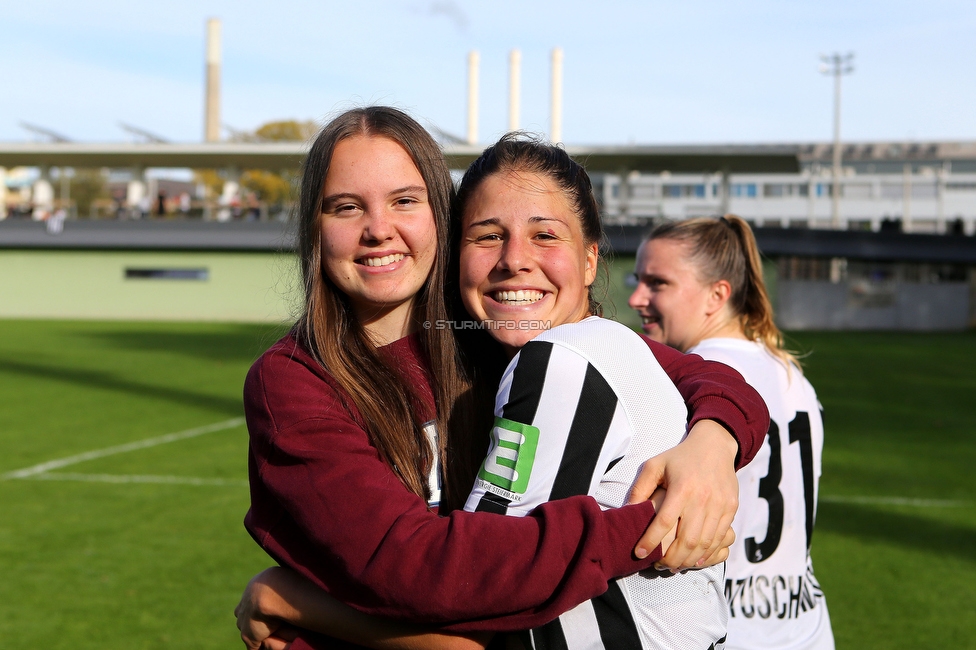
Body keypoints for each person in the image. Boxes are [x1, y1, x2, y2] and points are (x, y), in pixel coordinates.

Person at [238, 108, 768, 649]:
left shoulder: (496, 335)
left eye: (404, 201)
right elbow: (413, 572)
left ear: (439, 220)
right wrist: (650, 528)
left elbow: (715, 381)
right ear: (315, 228)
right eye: (346, 207)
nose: (378, 229)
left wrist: (712, 444)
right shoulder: (293, 382)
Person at [628, 215, 834, 650]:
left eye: (657, 283)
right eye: (638, 279)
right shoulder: (793, 375)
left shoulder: (690, 386)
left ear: (717, 294)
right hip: (806, 629)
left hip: (724, 631)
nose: (636, 297)